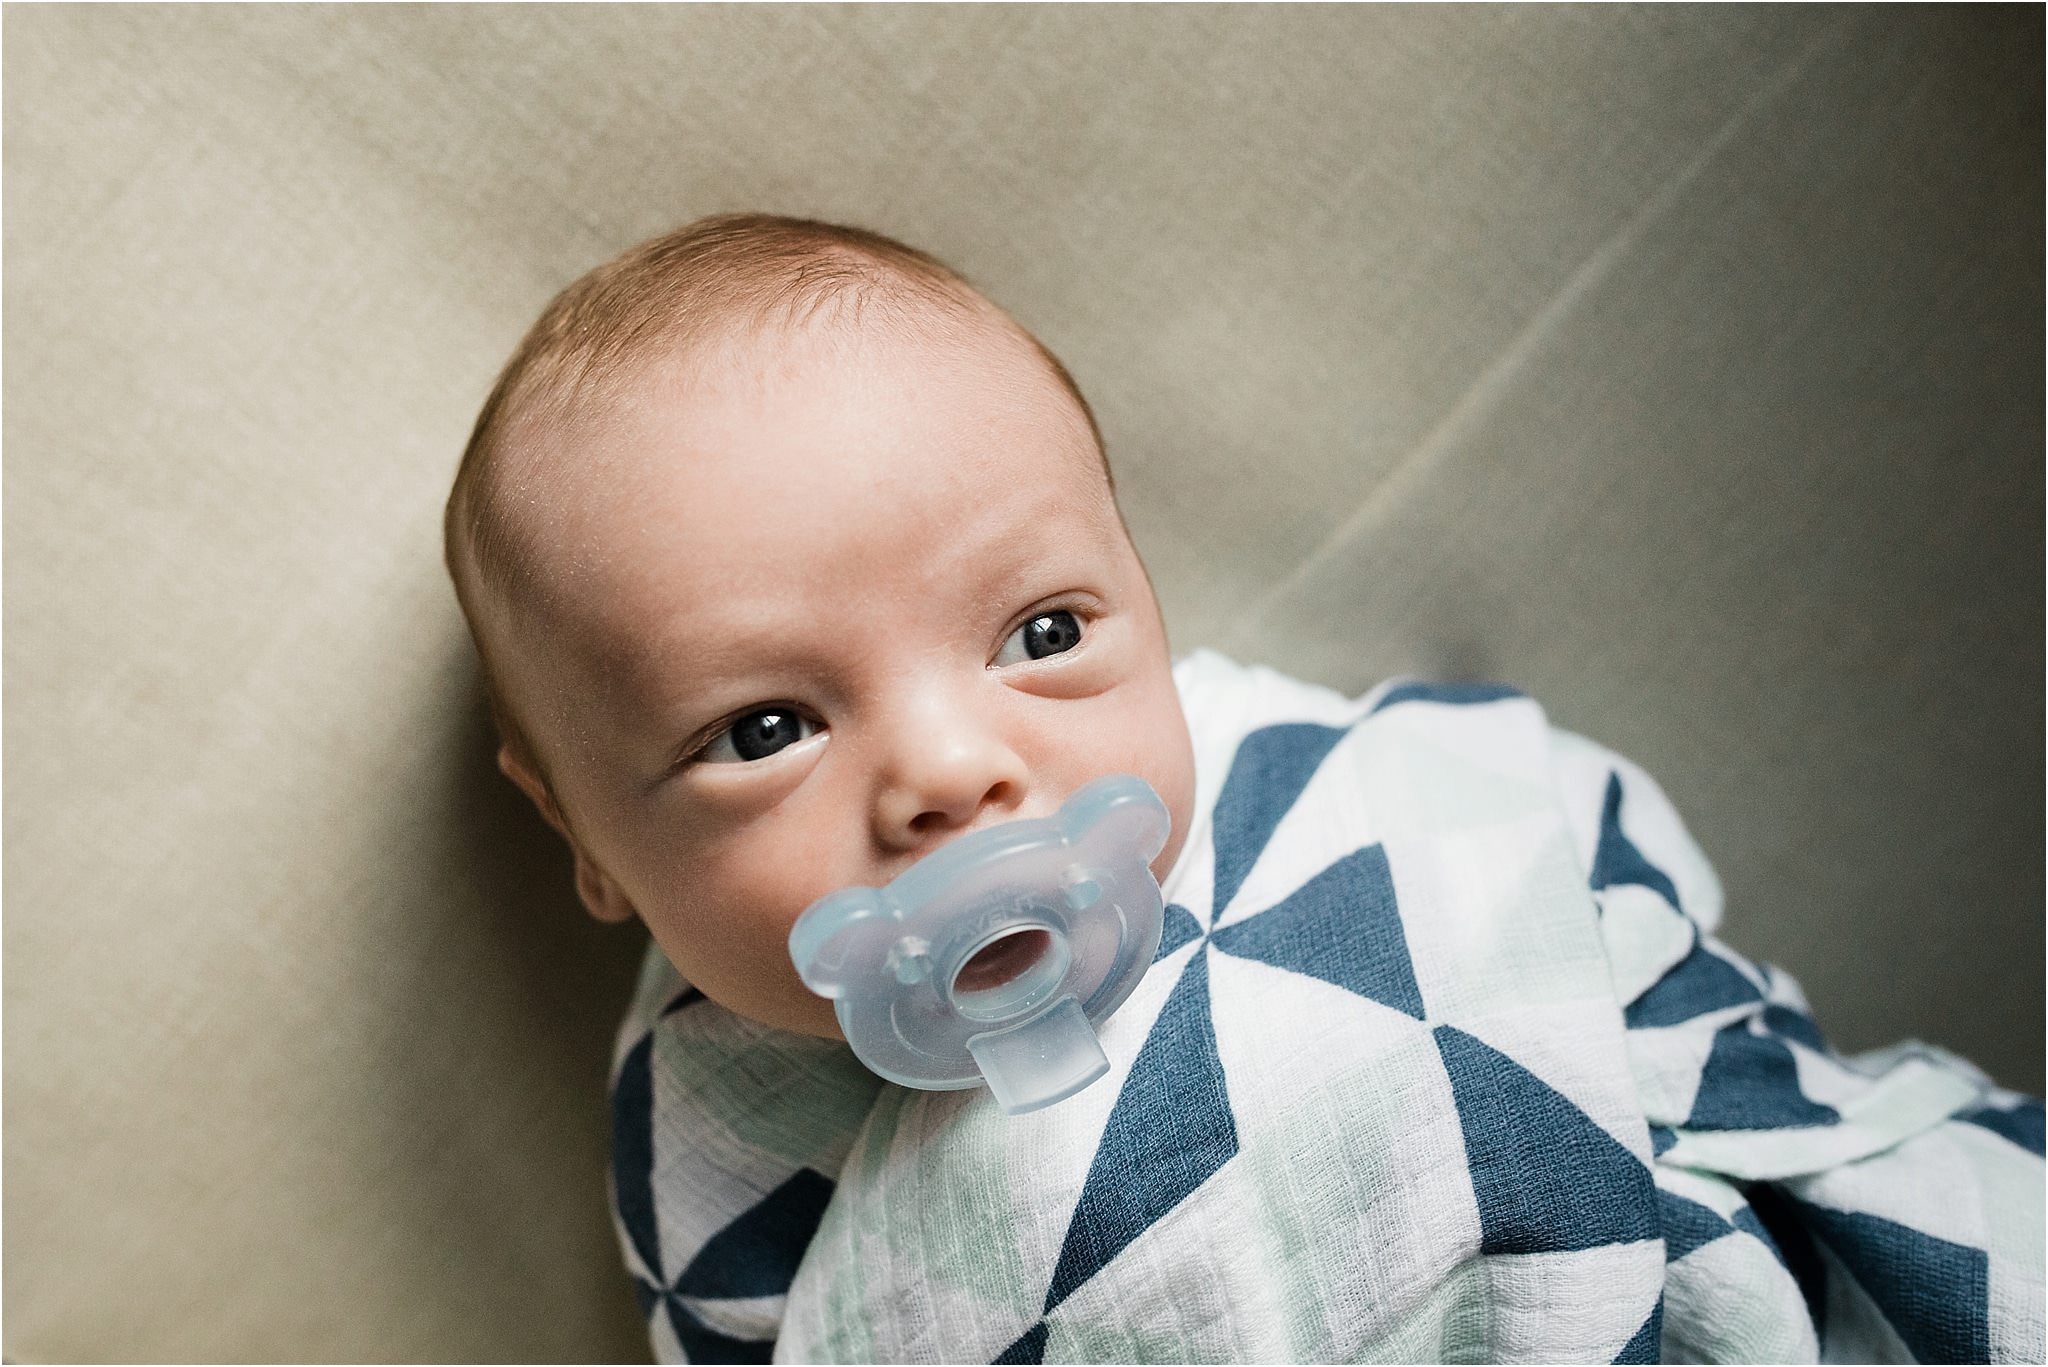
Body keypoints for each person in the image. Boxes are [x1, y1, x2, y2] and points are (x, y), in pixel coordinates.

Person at [444, 214, 2044, 1363]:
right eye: (768, 730)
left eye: (1045, 633)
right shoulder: (703, 1112)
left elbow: (1584, 888)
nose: (948, 771)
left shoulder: (1321, 782)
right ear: (582, 834)